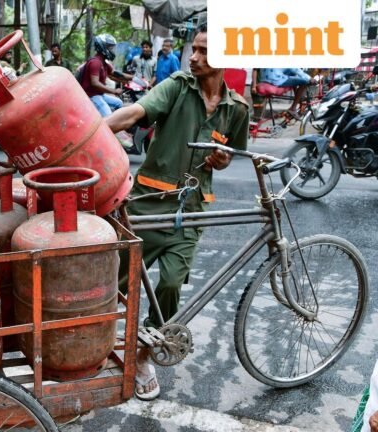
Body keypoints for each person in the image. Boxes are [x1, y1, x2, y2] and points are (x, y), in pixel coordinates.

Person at [106, 24, 249, 401]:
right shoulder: (176, 87)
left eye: (204, 51)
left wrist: (221, 159)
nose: (195, 57)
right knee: (118, 282)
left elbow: (230, 154)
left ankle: (144, 354)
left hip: (193, 210)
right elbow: (136, 112)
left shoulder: (237, 109)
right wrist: (93, 132)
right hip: (147, 205)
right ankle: (99, 340)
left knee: (170, 283)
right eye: (194, 50)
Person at [80, 34, 124, 117]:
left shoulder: (103, 63)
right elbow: (95, 83)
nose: (112, 50)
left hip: (99, 94)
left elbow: (114, 74)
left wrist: (131, 79)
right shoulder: (95, 62)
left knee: (119, 103)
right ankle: (109, 127)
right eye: (109, 47)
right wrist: (113, 91)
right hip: (91, 96)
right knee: (109, 116)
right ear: (102, 47)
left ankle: (121, 125)